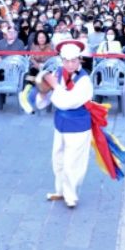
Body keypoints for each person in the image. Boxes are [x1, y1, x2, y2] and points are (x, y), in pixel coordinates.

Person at [35, 40, 95, 209]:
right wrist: (42, 92)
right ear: (61, 60)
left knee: (72, 162)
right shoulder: (58, 73)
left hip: (78, 125)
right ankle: (60, 190)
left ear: (79, 60)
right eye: (66, 61)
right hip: (60, 124)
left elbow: (69, 102)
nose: (69, 65)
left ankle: (71, 195)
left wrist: (54, 86)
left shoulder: (84, 80)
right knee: (58, 159)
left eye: (73, 61)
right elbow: (48, 96)